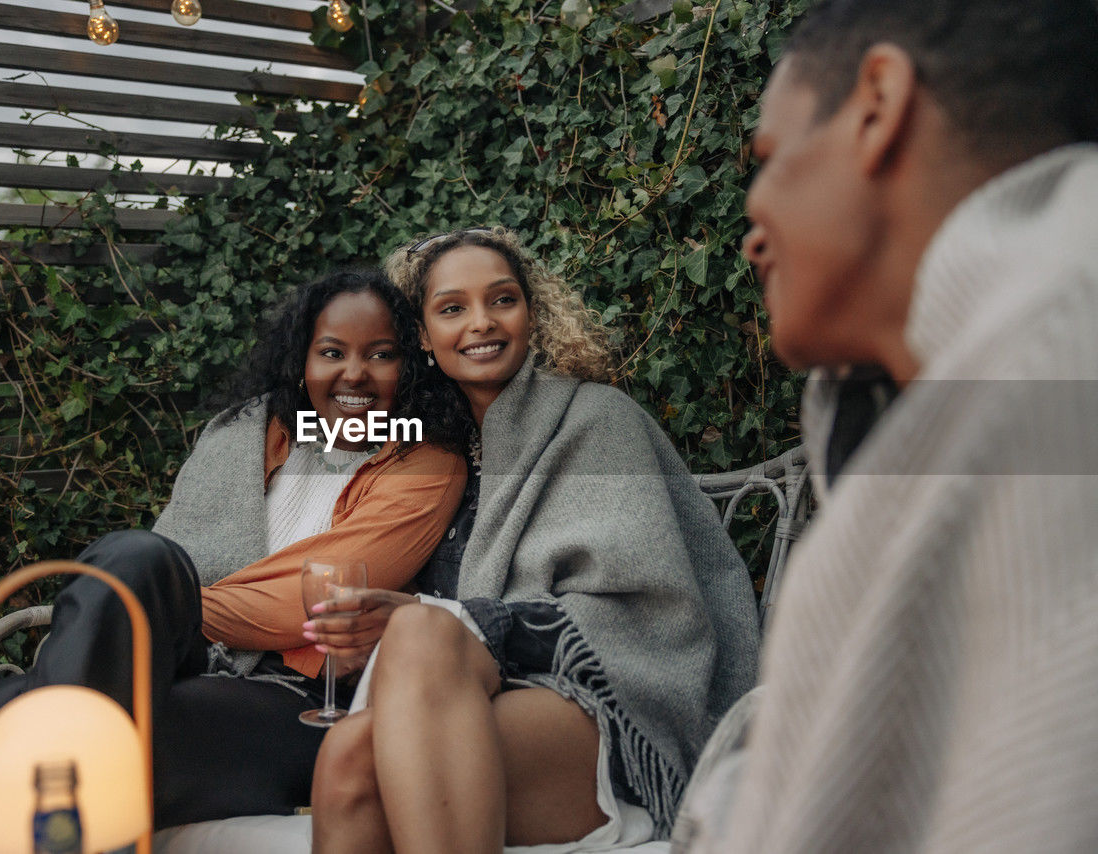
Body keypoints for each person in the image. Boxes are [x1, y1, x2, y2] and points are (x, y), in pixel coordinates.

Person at [678, 1, 1098, 852]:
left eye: (768, 159)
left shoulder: (1052, 360)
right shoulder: (919, 408)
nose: (752, 229)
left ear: (877, 104)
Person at [0, 269, 467, 848]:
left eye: (381, 355)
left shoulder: (425, 464)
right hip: (182, 658)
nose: (354, 373)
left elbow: (312, 598)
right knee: (137, 555)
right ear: (302, 361)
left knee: (10, 713)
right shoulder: (244, 433)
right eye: (332, 352)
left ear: (409, 367)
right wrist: (149, 603)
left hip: (296, 698)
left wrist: (161, 609)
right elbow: (165, 561)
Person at [305, 227, 761, 852]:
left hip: (613, 715)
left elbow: (651, 612)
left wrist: (441, 619)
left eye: (502, 300)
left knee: (420, 629)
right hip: (474, 704)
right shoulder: (435, 454)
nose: (481, 323)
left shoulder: (600, 420)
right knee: (346, 760)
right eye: (452, 308)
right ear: (422, 337)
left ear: (532, 312)